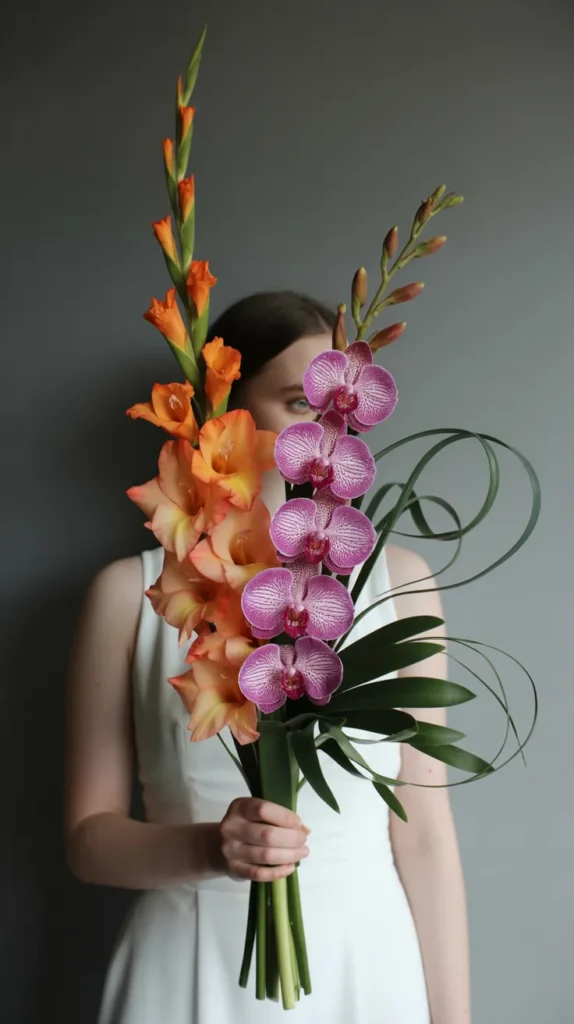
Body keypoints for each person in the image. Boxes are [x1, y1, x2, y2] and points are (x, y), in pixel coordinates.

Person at [65, 291, 471, 1024]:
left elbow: (426, 835)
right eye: (296, 403)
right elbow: (88, 842)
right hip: (187, 968)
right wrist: (211, 849)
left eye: (338, 410)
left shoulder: (400, 584)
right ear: (233, 422)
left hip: (366, 966)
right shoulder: (130, 594)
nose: (327, 433)